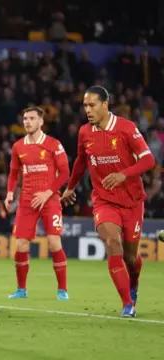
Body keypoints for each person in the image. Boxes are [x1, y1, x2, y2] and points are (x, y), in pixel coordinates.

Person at [61, 85, 155, 317]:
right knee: (112, 242)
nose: (88, 110)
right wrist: (70, 187)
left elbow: (148, 160)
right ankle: (127, 304)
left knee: (130, 258)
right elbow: (81, 162)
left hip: (132, 201)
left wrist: (124, 174)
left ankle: (133, 284)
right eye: (85, 105)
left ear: (105, 104)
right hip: (104, 200)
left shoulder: (126, 128)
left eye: (92, 105)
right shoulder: (85, 132)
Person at [5, 106, 70, 300]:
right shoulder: (18, 146)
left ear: (41, 122)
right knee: (21, 245)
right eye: (25, 118)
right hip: (26, 200)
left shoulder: (53, 144)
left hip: (50, 200)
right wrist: (9, 193)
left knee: (53, 242)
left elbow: (65, 173)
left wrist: (47, 193)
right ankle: (21, 290)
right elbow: (14, 173)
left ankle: (62, 290)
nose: (27, 122)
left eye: (32, 118)